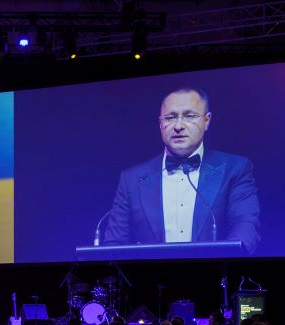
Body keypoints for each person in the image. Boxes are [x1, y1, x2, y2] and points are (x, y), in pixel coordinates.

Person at [102, 87, 260, 254]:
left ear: (206, 121)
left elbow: (246, 225)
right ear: (160, 123)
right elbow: (114, 243)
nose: (178, 126)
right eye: (170, 117)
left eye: (189, 116)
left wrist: (221, 262)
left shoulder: (235, 169)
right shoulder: (132, 178)